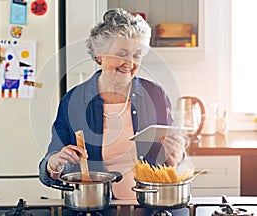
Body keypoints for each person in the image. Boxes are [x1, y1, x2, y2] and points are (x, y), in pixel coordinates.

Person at [39, 8, 187, 216]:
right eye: (121, 54)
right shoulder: (74, 100)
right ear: (99, 54)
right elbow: (49, 166)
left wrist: (176, 156)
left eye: (137, 55)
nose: (130, 63)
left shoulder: (154, 94)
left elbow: (173, 156)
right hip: (96, 208)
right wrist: (54, 164)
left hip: (151, 206)